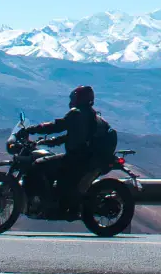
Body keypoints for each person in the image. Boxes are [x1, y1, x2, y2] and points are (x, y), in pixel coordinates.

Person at [29, 85, 108, 213]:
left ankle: (46, 202)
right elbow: (72, 136)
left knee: (38, 165)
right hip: (84, 158)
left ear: (80, 98)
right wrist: (49, 142)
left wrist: (32, 129)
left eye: (74, 97)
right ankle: (57, 200)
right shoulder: (91, 114)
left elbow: (57, 126)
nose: (72, 101)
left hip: (76, 158)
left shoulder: (76, 113)